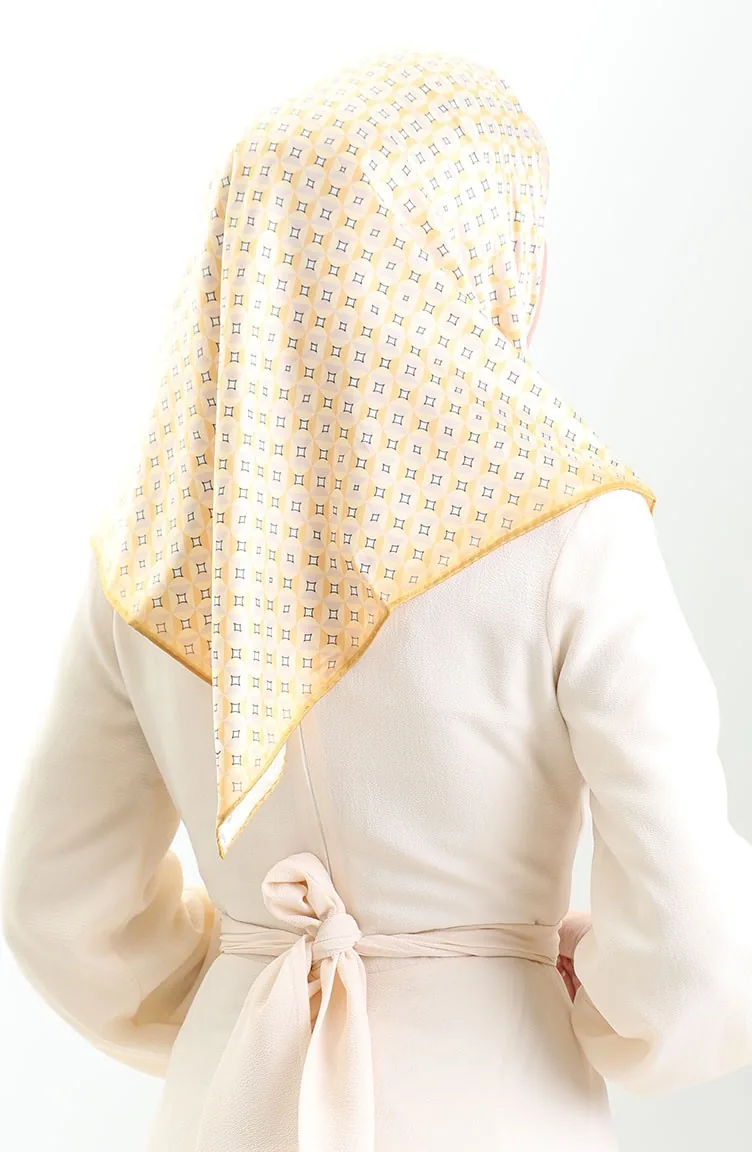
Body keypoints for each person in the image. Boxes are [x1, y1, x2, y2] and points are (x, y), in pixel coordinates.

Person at [3, 48, 752, 1152]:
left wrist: (246, 984)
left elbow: (54, 905)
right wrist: (598, 1003)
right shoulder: (573, 530)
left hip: (230, 1106)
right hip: (499, 1103)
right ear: (462, 247)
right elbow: (699, 954)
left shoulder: (158, 548)